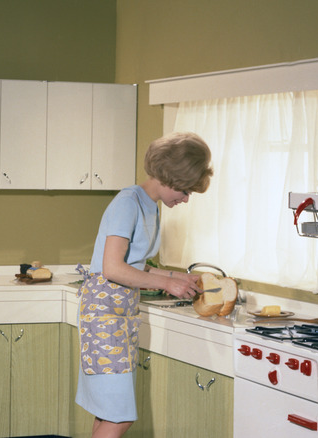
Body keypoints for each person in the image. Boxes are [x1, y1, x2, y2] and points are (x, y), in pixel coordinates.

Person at [75, 131, 214, 437]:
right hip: (104, 315)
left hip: (118, 314)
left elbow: (135, 264)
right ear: (172, 177)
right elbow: (112, 268)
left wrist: (178, 277)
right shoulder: (127, 202)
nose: (187, 198)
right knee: (119, 415)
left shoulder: (149, 205)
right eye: (186, 190)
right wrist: (166, 284)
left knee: (108, 410)